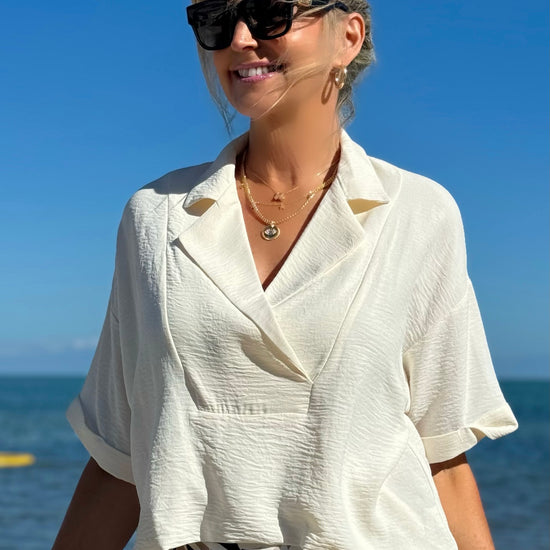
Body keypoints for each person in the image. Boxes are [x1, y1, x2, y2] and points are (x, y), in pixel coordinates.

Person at [52, 0, 519, 549]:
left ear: (347, 37)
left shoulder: (418, 213)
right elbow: (121, 457)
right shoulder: (156, 216)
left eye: (270, 12)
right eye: (215, 20)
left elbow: (442, 454)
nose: (240, 38)